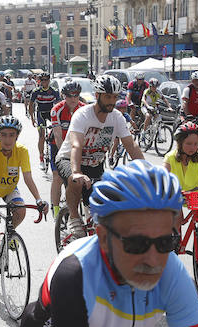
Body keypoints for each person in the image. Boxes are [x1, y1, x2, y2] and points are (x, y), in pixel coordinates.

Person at [15, 160, 198, 327]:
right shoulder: (76, 275)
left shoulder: (172, 272)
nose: (153, 259)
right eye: (136, 243)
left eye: (165, 241)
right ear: (103, 238)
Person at [56, 75, 144, 238]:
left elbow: (131, 145)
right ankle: (74, 218)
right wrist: (76, 172)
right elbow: (77, 145)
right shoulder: (83, 115)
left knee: (105, 212)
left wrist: (147, 172)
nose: (112, 101)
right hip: (69, 159)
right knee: (75, 181)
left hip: (95, 164)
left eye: (115, 97)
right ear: (97, 95)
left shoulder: (117, 117)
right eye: (108, 96)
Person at [0, 115, 46, 290]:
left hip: (8, 189)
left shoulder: (21, 151)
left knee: (20, 211)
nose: (8, 139)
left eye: (12, 135)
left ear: (17, 136)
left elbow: (28, 177)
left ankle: (10, 233)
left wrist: (38, 199)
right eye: (4, 135)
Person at [47, 82, 86, 218]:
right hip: (58, 146)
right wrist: (65, 157)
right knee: (57, 177)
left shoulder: (84, 109)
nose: (73, 99)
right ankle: (56, 209)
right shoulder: (56, 110)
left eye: (76, 95)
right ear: (64, 96)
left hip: (77, 146)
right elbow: (57, 136)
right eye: (69, 96)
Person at [29, 73, 61, 170]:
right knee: (41, 136)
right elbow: (31, 105)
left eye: (46, 80)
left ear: (49, 80)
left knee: (58, 133)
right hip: (40, 114)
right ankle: (41, 158)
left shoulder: (54, 91)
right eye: (42, 80)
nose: (44, 82)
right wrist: (32, 118)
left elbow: (60, 104)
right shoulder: (36, 91)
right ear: (40, 81)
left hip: (51, 113)